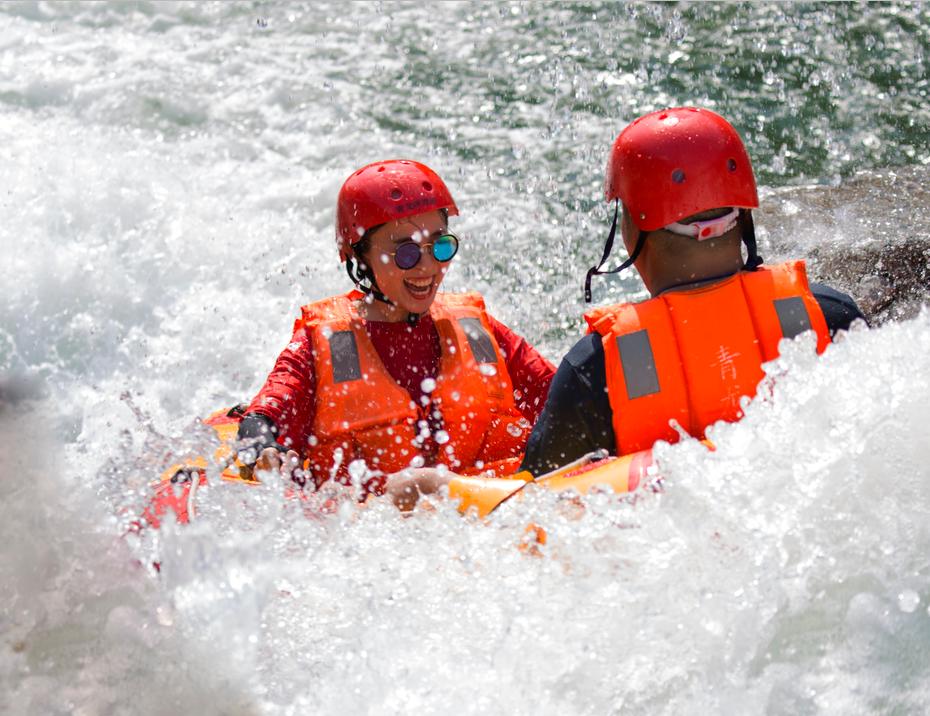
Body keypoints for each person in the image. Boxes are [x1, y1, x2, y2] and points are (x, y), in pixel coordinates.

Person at [521, 107, 866, 475]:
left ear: (632, 234)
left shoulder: (596, 366)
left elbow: (535, 500)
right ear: (746, 214)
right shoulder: (828, 314)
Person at [236, 159, 555, 500]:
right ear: (360, 257)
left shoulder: (476, 330)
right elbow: (264, 418)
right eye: (405, 252)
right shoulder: (328, 345)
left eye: (440, 245)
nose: (428, 266)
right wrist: (262, 449)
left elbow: (561, 400)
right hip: (372, 530)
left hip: (483, 517)